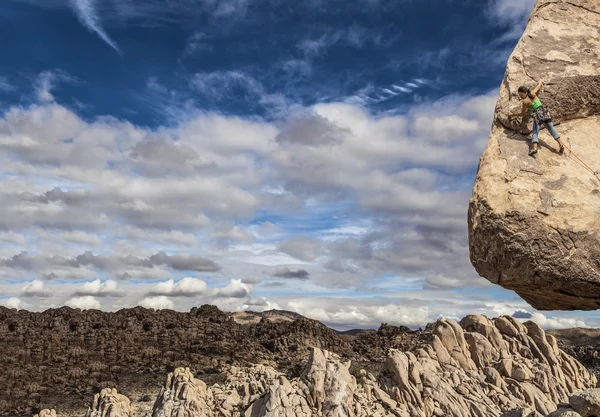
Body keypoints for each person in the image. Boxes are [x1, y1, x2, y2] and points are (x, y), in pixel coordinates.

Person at [508, 80, 566, 157]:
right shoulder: (532, 93)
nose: (520, 96)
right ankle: (560, 145)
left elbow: (522, 113)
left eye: (521, 94)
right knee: (551, 129)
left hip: (537, 115)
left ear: (524, 93)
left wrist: (512, 114)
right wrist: (540, 82)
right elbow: (538, 87)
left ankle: (535, 149)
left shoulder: (525, 101)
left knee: (535, 132)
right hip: (545, 113)